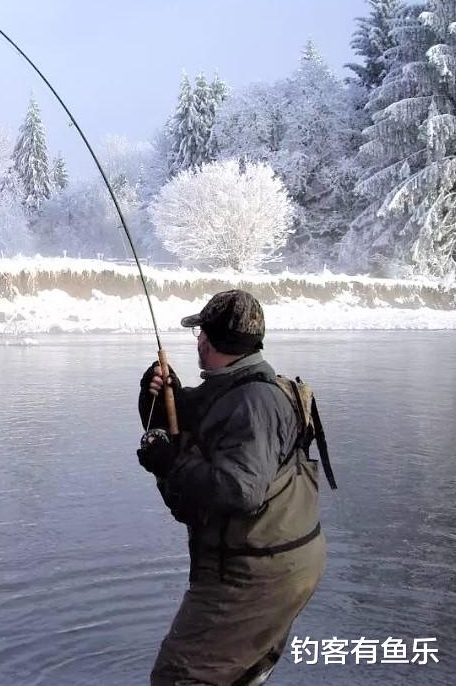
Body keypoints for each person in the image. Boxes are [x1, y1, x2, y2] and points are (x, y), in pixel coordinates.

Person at [137, 289, 326, 686]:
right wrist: (157, 397)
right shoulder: (235, 386)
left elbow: (238, 489)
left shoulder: (254, 403)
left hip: (257, 572)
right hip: (279, 560)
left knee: (179, 675)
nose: (199, 341)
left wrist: (170, 461)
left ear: (210, 340)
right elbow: (196, 420)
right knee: (238, 676)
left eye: (201, 332)